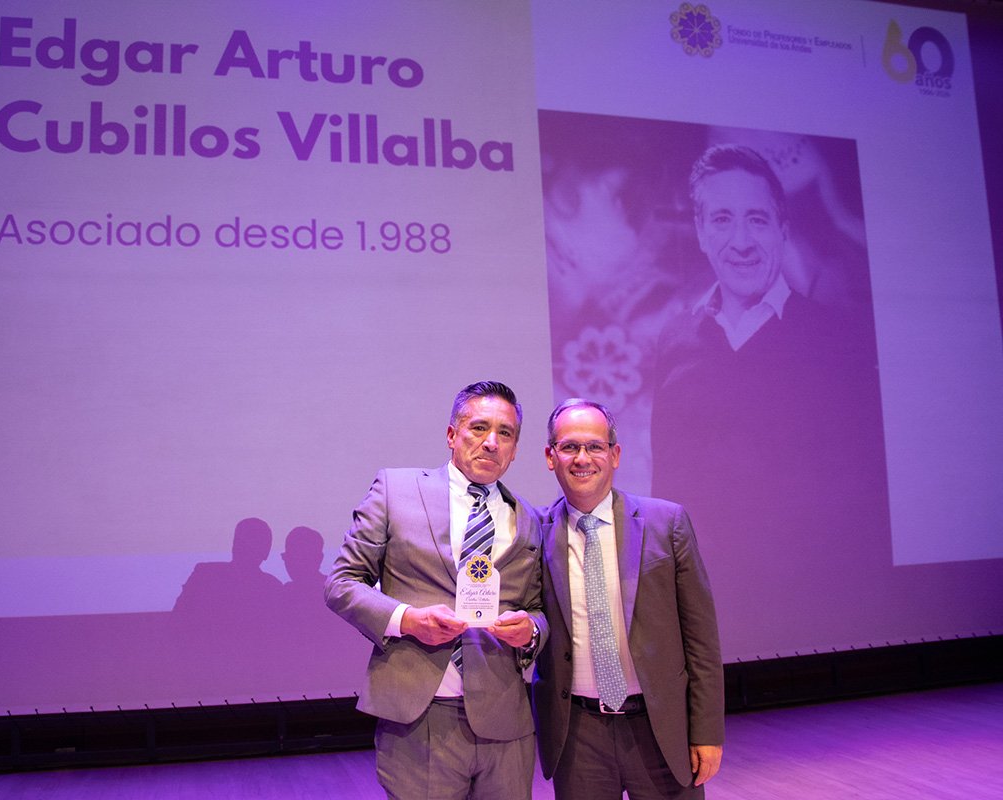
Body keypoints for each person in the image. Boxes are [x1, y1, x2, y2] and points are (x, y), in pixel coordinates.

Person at [651, 143, 889, 643]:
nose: (741, 241)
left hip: (818, 610)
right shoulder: (674, 340)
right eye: (722, 220)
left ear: (782, 228)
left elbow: (864, 493)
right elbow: (667, 486)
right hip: (704, 606)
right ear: (700, 231)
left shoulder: (837, 339)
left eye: (757, 219)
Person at [325, 381, 547, 800]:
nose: (492, 442)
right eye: (479, 428)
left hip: (506, 722)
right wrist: (408, 620)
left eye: (505, 433)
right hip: (418, 719)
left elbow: (537, 608)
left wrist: (531, 630)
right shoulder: (395, 491)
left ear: (515, 449)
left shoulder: (530, 520)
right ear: (451, 434)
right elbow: (342, 583)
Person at [532, 399, 723, 799]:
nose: (582, 458)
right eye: (569, 447)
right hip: (578, 735)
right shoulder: (534, 534)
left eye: (595, 446)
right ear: (551, 457)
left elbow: (701, 639)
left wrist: (707, 731)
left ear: (615, 455)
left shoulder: (666, 523)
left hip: (659, 729)